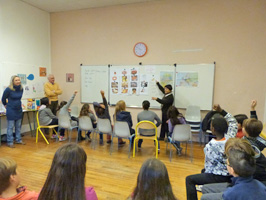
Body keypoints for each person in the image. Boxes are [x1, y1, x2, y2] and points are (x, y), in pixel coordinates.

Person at [186, 110, 232, 200]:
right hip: (229, 174)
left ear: (213, 129)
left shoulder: (210, 145)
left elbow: (209, 167)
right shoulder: (230, 139)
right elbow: (233, 121)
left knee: (189, 179)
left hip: (217, 176)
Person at [201, 138, 266, 200]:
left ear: (232, 169)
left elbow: (232, 194)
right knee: (205, 189)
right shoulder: (261, 185)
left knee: (204, 197)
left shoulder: (232, 193)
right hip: (245, 185)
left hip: (239, 189)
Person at [1, 75, 25, 148]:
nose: (18, 81)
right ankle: (10, 141)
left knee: (18, 126)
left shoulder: (21, 88)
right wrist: (5, 105)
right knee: (10, 126)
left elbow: (19, 98)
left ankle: (18, 139)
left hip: (18, 109)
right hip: (11, 109)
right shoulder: (8, 89)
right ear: (13, 81)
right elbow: (3, 98)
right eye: (16, 80)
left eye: (19, 80)